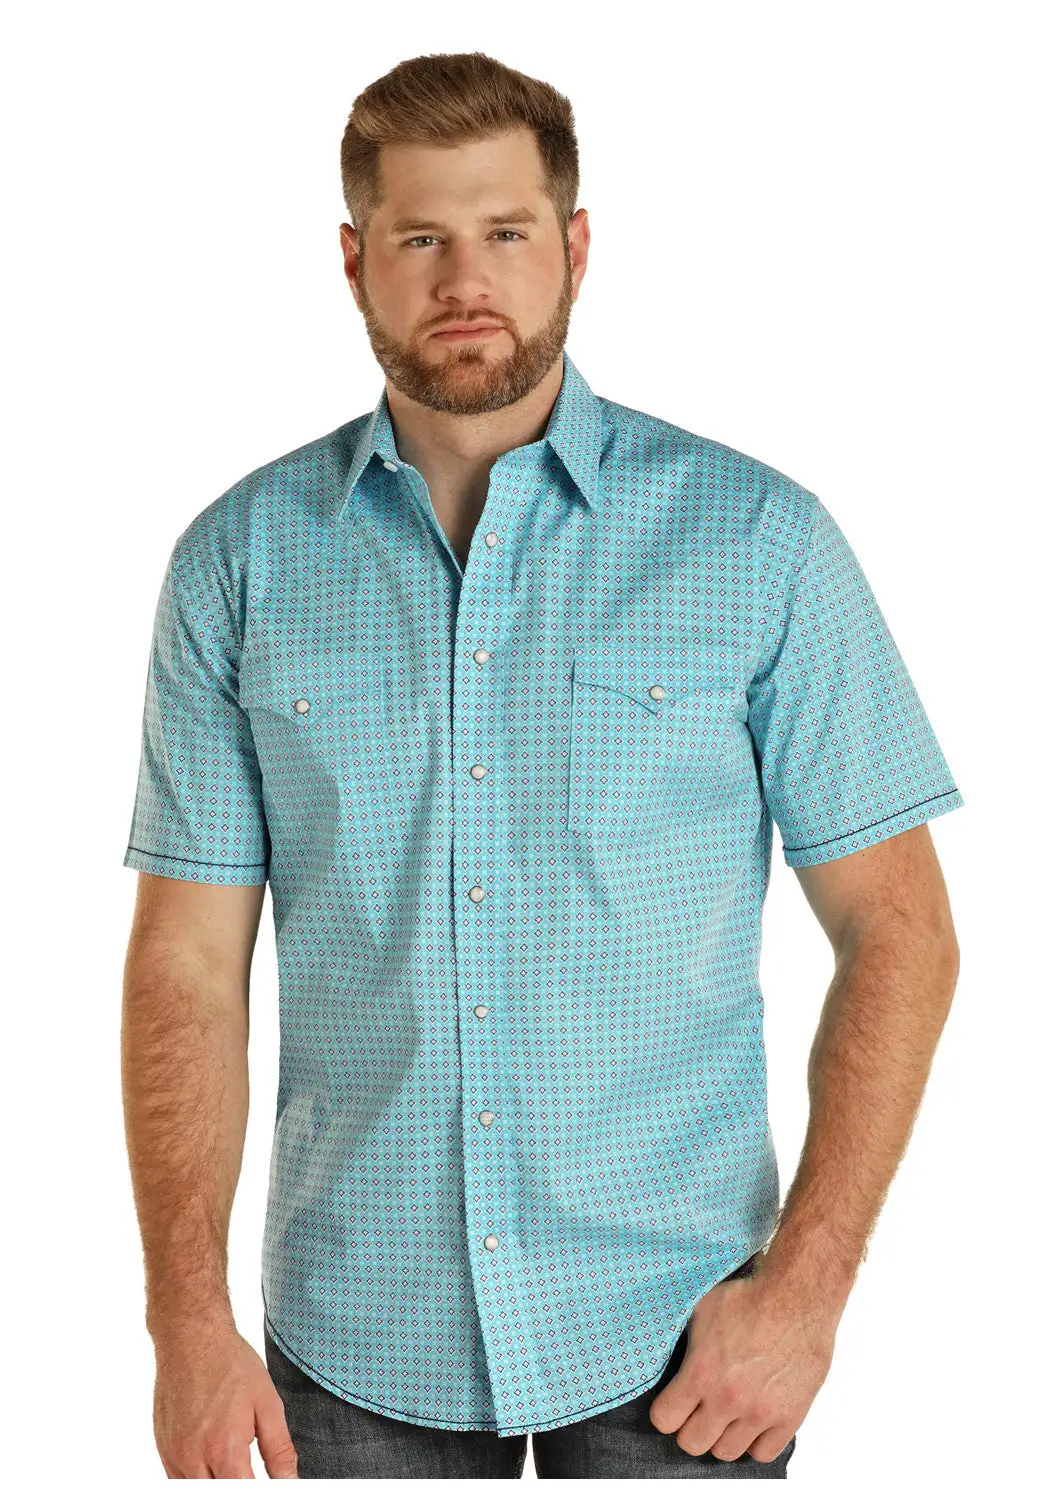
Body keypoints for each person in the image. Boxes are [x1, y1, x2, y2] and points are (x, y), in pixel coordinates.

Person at [120, 50, 964, 1480]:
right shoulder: (239, 565)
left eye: (505, 232)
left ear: (575, 246)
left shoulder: (759, 543)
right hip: (351, 1338)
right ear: (353, 261)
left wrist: (807, 1299)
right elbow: (186, 966)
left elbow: (902, 932)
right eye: (420, 239)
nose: (467, 279)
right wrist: (184, 1321)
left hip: (681, 1345)